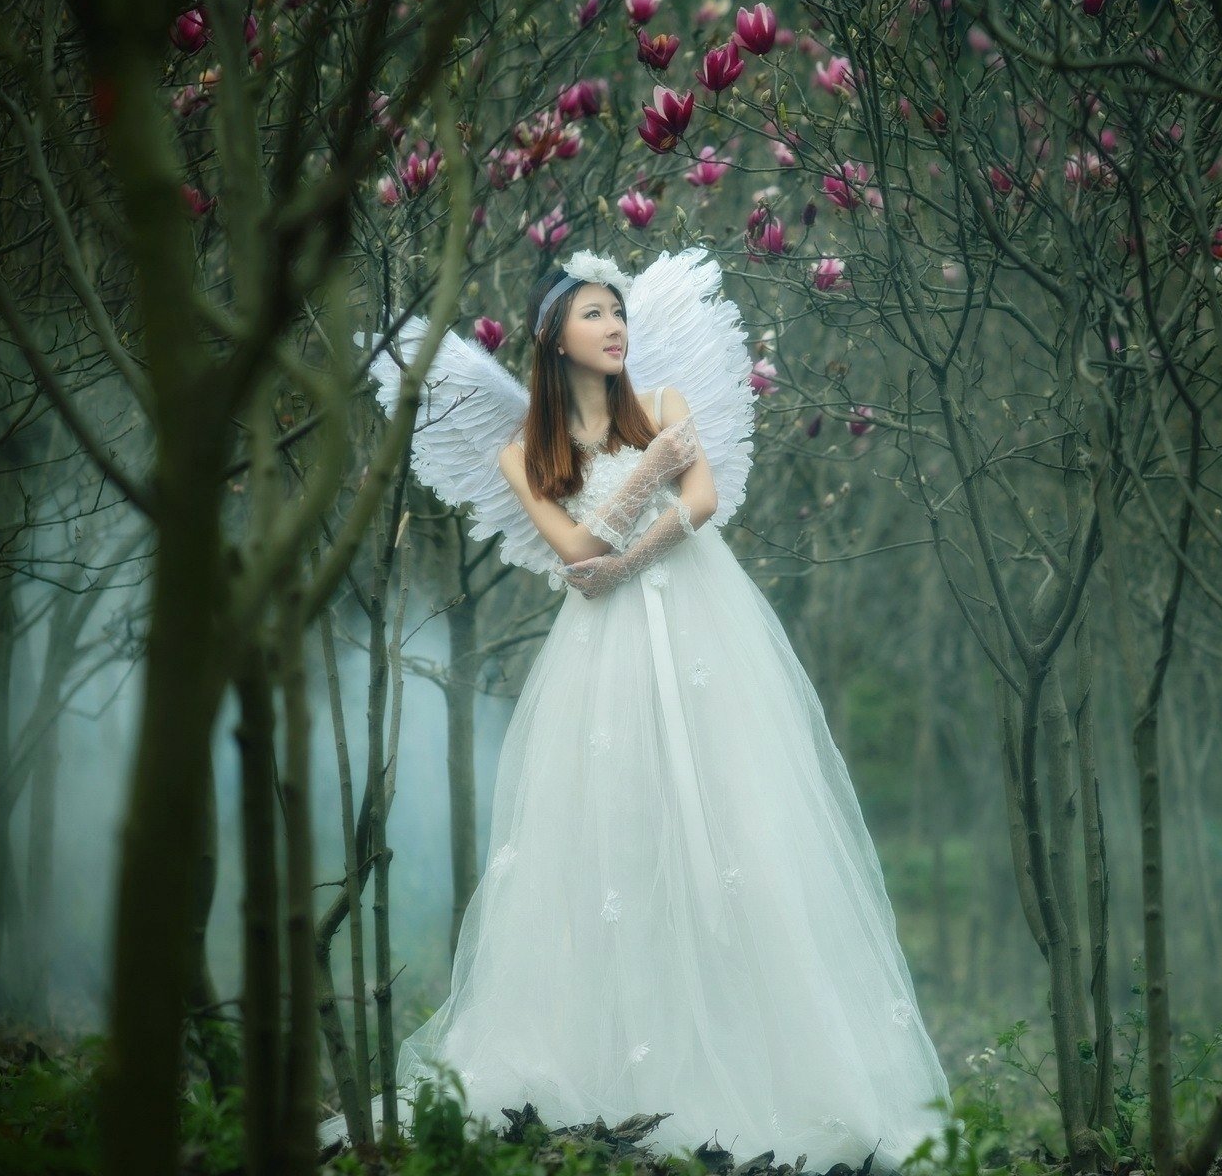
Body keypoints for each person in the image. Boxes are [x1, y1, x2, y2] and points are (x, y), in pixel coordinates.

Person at [322, 251, 951, 1172]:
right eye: (592, 314)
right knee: (616, 835)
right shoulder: (522, 452)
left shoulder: (662, 403)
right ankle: (622, 1056)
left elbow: (702, 500)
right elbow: (574, 552)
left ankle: (757, 1057)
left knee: (730, 821)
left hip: (704, 627)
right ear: (553, 338)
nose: (614, 326)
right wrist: (639, 491)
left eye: (617, 311)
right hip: (604, 656)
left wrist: (632, 543)